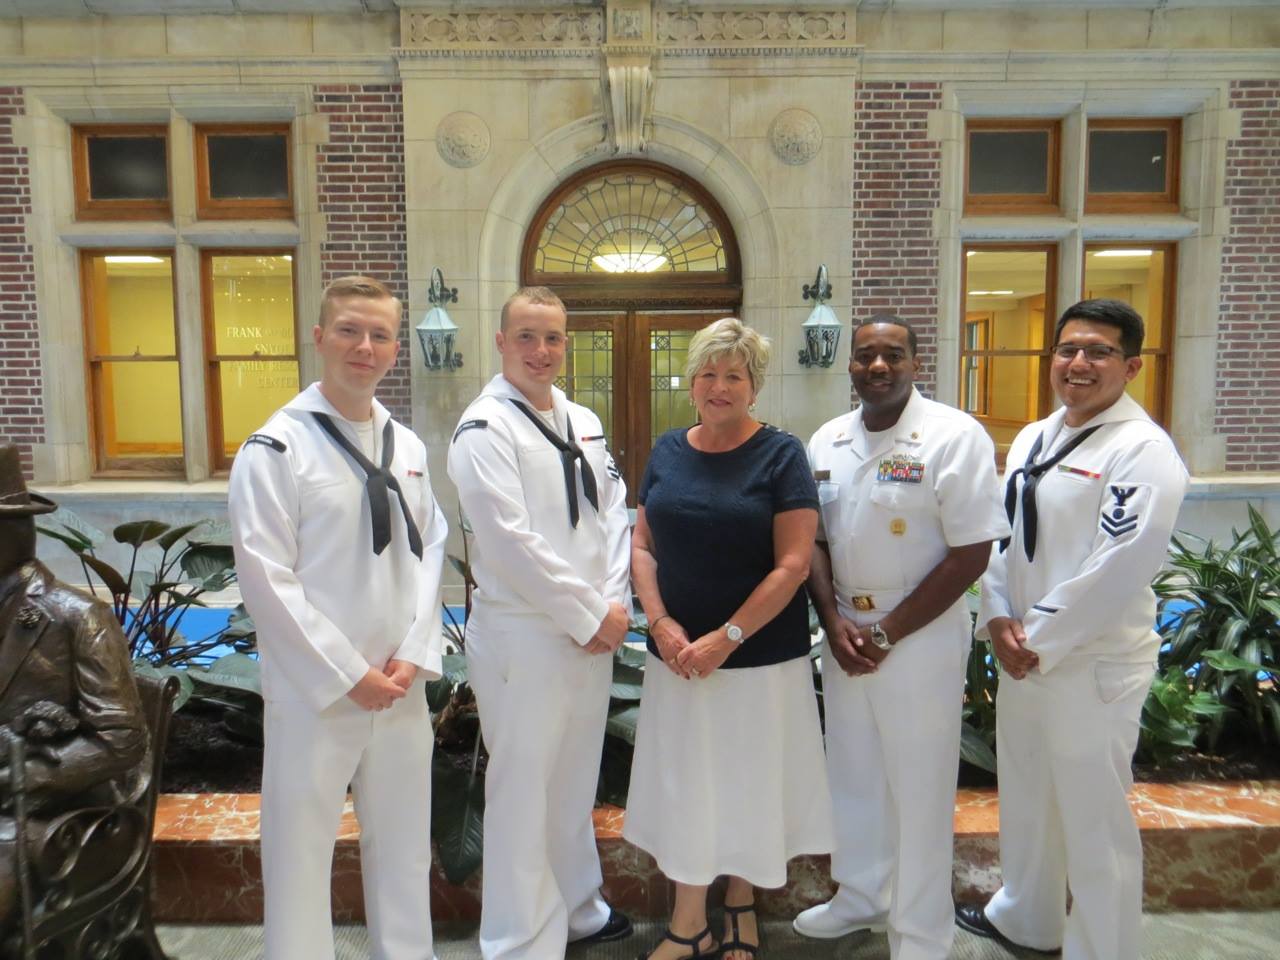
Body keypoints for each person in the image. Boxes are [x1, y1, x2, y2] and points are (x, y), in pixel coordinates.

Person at [955, 299, 1189, 960]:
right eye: (1067, 350)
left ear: (1133, 365)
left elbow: (1123, 562)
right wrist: (998, 616)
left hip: (1091, 664)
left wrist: (1040, 638)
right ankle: (1028, 918)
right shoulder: (1034, 436)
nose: (1078, 363)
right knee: (1028, 798)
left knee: (1094, 820)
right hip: (1021, 651)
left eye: (1098, 352)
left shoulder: (1143, 451)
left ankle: (1102, 948)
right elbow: (1001, 535)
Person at [228, 275, 448, 960]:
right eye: (350, 330)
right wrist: (349, 673)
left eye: (381, 334)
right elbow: (266, 578)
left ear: (394, 350)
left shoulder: (406, 447)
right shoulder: (276, 449)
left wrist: (412, 654)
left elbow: (432, 550)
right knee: (299, 848)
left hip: (400, 684)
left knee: (405, 843)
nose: (366, 346)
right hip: (316, 693)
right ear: (319, 337)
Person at [794, 315, 1009, 960]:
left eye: (892, 355)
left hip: (918, 637)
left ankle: (918, 932)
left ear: (916, 361)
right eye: (865, 356)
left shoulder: (952, 436)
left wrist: (887, 634)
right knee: (853, 773)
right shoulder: (827, 439)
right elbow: (815, 542)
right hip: (845, 632)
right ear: (851, 366)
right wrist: (834, 624)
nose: (877, 366)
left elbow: (972, 551)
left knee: (918, 785)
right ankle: (861, 896)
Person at [624, 318, 833, 960]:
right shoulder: (666, 450)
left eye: (734, 375)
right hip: (679, 659)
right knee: (688, 785)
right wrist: (660, 622)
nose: (720, 387)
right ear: (691, 383)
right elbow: (641, 543)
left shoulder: (781, 454)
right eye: (709, 374)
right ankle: (692, 924)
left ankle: (740, 902)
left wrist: (728, 636)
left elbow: (793, 563)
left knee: (751, 783)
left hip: (760, 660)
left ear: (753, 386)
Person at [446, 286, 633, 960]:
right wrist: (587, 613)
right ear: (501, 342)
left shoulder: (582, 418)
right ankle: (519, 939)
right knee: (524, 788)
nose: (541, 351)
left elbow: (613, 511)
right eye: (526, 336)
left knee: (574, 780)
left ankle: (578, 907)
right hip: (524, 633)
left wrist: (612, 606)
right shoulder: (483, 429)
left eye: (553, 337)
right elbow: (507, 540)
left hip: (593, 630)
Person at [0, 444, 150, 940]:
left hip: (47, 818)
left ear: (16, 530)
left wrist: (23, 776)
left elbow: (121, 740)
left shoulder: (74, 616)